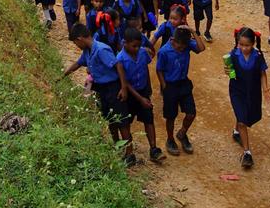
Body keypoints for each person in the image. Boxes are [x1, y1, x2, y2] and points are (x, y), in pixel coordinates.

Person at [60, 24, 134, 165]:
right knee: (109, 118)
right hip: (101, 88)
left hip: (112, 88)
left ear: (80, 38)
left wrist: (123, 88)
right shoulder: (87, 51)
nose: (76, 46)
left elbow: (118, 66)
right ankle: (117, 144)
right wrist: (64, 74)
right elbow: (78, 63)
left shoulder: (101, 50)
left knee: (122, 121)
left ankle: (130, 153)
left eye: (75, 43)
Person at [116, 27, 163, 163]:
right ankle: (129, 153)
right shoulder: (120, 59)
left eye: (139, 45)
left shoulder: (143, 53)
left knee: (149, 119)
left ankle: (153, 149)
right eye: (134, 46)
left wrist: (147, 91)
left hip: (142, 91)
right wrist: (141, 98)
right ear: (124, 43)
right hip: (129, 95)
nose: (137, 48)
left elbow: (145, 70)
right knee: (125, 123)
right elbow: (125, 83)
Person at [156, 26, 206, 156]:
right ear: (172, 40)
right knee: (170, 116)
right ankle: (170, 139)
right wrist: (164, 85)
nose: (182, 49)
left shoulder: (187, 44)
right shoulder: (164, 51)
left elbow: (201, 48)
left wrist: (193, 32)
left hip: (183, 83)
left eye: (184, 47)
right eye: (179, 47)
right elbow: (159, 69)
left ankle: (182, 133)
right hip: (170, 85)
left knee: (191, 113)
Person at [225, 27, 268, 168]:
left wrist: (266, 89)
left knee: (247, 114)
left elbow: (262, 73)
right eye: (241, 45)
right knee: (243, 120)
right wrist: (228, 71)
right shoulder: (233, 55)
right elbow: (231, 74)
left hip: (253, 92)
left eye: (247, 45)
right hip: (237, 91)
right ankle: (247, 152)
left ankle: (236, 130)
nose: (244, 48)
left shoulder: (258, 56)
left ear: (253, 44)